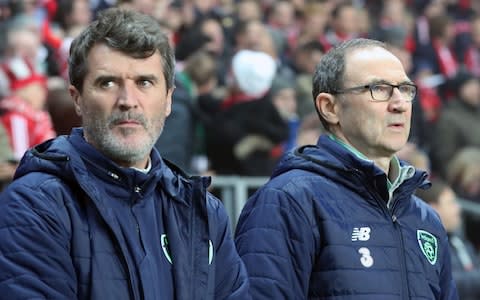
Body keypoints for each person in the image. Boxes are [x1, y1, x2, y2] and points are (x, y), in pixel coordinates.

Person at [0, 8, 250, 300]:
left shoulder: (203, 212)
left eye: (144, 82)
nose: (128, 101)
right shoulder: (34, 205)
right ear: (77, 99)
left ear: (168, 99)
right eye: (107, 83)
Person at [235, 38, 458, 299]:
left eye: (405, 89)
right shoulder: (289, 201)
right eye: (380, 88)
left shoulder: (425, 219)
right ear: (330, 108)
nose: (399, 103)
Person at [416, 178, 480, 300]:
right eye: (451, 203)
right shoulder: (426, 244)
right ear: (432, 208)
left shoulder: (458, 240)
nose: (458, 208)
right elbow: (447, 281)